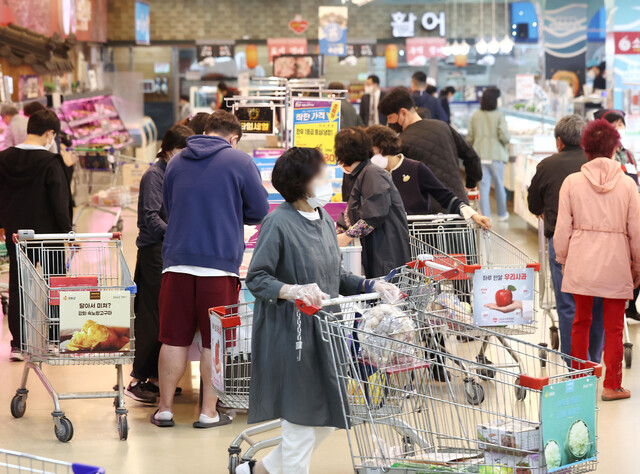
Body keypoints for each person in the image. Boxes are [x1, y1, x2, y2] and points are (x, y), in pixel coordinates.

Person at [239, 147, 400, 474]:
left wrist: (372, 286)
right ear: (301, 181)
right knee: (299, 424)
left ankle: (257, 471)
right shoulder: (278, 223)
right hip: (290, 334)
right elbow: (256, 277)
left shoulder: (326, 220)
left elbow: (335, 275)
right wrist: (291, 290)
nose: (329, 179)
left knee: (330, 414)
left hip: (325, 331)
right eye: (321, 173)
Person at [150, 111, 269, 428]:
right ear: (234, 138)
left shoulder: (175, 162)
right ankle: (208, 412)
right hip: (218, 267)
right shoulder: (239, 162)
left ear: (205, 131)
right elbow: (258, 211)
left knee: (173, 339)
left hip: (176, 263)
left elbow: (169, 205)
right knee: (213, 342)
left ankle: (164, 409)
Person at [554, 119, 640, 402]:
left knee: (581, 320)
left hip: (581, 259)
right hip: (616, 261)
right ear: (615, 148)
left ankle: (580, 379)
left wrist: (563, 258)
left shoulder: (572, 182)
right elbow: (636, 230)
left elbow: (563, 228)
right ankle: (612, 386)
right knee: (614, 326)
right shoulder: (628, 185)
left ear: (586, 148)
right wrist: (637, 264)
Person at [125, 125, 194, 404]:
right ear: (167, 151)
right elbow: (152, 218)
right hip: (155, 252)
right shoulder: (155, 175)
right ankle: (138, 379)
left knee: (166, 315)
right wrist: (179, 233)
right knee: (152, 316)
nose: (184, 157)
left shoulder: (178, 173)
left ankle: (155, 378)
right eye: (181, 151)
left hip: (171, 250)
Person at [527, 114, 604, 361]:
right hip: (598, 242)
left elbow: (533, 203)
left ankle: (574, 361)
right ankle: (593, 359)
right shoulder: (597, 162)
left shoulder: (547, 165)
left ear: (559, 141)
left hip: (563, 244)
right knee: (596, 302)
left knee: (568, 304)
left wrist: (548, 215)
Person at [0, 110, 72, 361]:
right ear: (50, 133)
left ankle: (19, 344)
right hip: (48, 235)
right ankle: (54, 340)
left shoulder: (3, 158)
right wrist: (68, 233)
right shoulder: (51, 163)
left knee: (19, 286)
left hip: (16, 235)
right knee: (55, 284)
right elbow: (59, 203)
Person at [378, 87, 482, 213]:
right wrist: (470, 185)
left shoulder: (402, 143)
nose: (389, 123)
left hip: (426, 217)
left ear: (403, 113)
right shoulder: (443, 127)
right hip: (459, 209)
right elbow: (472, 157)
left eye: (390, 118)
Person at [365, 125, 491, 229]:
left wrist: (472, 214)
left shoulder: (416, 168)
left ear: (383, 147)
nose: (369, 157)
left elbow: (445, 196)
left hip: (418, 240)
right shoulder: (370, 173)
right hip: (386, 240)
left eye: (372, 152)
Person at [336, 127, 410, 279]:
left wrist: (347, 236)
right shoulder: (362, 174)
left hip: (385, 250)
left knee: (387, 295)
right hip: (376, 248)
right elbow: (352, 210)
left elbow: (374, 215)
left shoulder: (372, 173)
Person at [466, 87, 511, 220]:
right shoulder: (499, 114)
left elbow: (469, 137)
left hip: (480, 155)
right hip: (496, 155)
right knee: (499, 186)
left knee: (484, 188)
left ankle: (486, 216)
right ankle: (502, 214)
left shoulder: (476, 115)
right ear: (495, 100)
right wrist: (506, 142)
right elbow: (504, 135)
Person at [595, 109, 638, 186]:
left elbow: (636, 183)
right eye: (612, 126)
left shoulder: (629, 154)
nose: (617, 129)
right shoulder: (599, 154)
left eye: (620, 125)